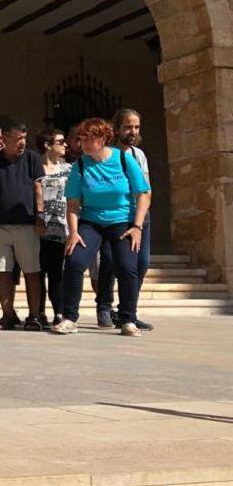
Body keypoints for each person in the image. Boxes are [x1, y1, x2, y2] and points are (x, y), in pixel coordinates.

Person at [54, 117, 151, 337]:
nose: (84, 144)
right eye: (81, 140)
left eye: (89, 139)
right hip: (91, 222)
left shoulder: (124, 160)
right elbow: (72, 204)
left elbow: (142, 194)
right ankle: (69, 318)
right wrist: (74, 232)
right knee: (74, 261)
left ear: (103, 138)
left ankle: (128, 320)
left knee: (127, 267)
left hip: (122, 221)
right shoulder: (80, 165)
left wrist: (137, 226)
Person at [0, 121, 44, 331]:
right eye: (18, 139)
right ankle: (7, 315)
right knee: (2, 271)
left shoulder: (32, 158)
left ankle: (34, 315)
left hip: (26, 224)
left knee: (32, 270)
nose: (22, 143)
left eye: (24, 138)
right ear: (5, 140)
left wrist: (40, 216)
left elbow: (38, 189)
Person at [96, 108, 154, 331]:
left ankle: (128, 311)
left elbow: (146, 188)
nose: (133, 131)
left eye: (136, 127)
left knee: (141, 263)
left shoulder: (139, 155)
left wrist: (143, 213)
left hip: (139, 215)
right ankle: (104, 306)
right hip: (114, 216)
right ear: (117, 128)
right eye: (128, 127)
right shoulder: (106, 154)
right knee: (110, 260)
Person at [36, 127, 71, 327]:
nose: (65, 145)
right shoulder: (35, 168)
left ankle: (60, 312)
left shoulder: (69, 169)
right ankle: (39, 311)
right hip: (38, 227)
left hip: (60, 227)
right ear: (47, 145)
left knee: (57, 272)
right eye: (60, 141)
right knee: (38, 271)